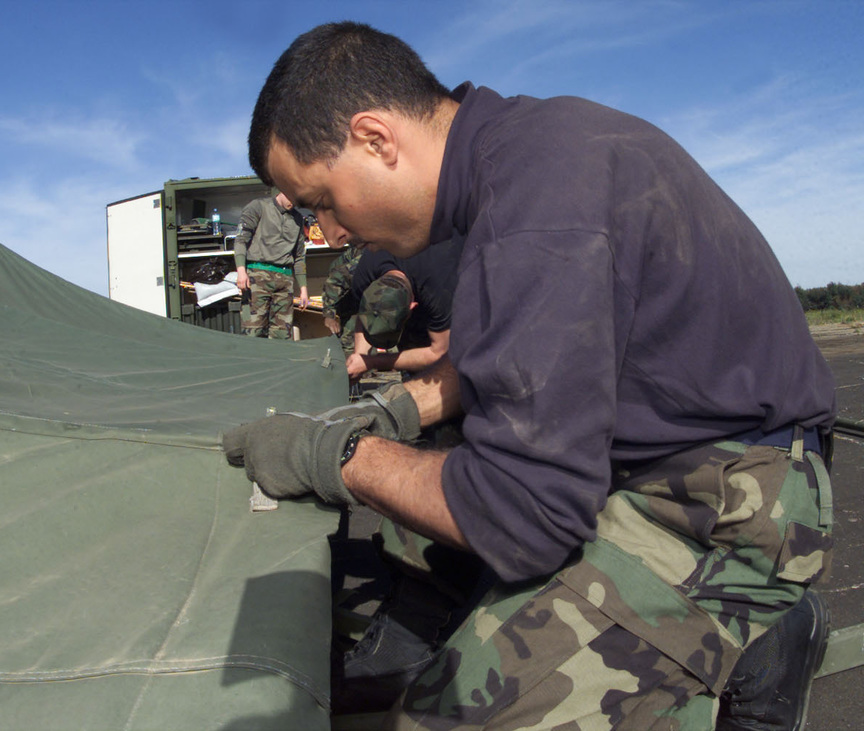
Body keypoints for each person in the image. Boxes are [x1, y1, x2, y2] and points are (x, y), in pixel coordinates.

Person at [224, 22, 835, 730]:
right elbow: (513, 368)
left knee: (441, 718)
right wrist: (395, 416)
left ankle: (756, 636)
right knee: (426, 517)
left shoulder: (537, 199)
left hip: (724, 505)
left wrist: (333, 457)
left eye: (322, 201)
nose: (325, 233)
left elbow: (521, 512)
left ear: (375, 139)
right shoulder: (516, 160)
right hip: (640, 459)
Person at [345, 240, 458, 382]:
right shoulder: (364, 276)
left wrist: (373, 362)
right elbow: (364, 317)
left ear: (412, 306)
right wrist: (360, 358)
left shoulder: (438, 289)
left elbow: (440, 353)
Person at [233, 191, 309, 339]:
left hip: (285, 280)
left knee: (282, 334)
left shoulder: (298, 219)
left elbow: (299, 256)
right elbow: (240, 240)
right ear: (282, 190)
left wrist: (303, 288)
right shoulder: (258, 207)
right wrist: (241, 271)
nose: (293, 203)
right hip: (257, 277)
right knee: (253, 331)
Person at [321, 244, 363, 356]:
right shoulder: (370, 259)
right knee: (350, 337)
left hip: (364, 285)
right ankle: (349, 369)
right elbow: (335, 280)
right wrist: (329, 315)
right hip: (343, 286)